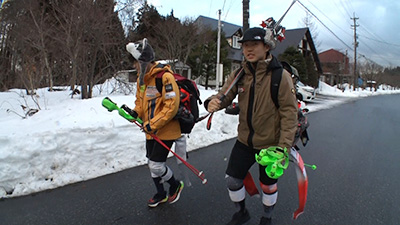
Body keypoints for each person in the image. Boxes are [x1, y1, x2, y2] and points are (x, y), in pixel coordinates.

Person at [204, 26, 298, 225]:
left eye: (254, 44)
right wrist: (213, 102)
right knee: (232, 180)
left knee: (268, 185)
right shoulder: (240, 74)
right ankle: (241, 212)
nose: (249, 49)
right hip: (245, 140)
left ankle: (267, 217)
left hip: (271, 144)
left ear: (266, 47)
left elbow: (290, 115)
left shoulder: (280, 77)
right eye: (245, 45)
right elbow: (225, 94)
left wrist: (283, 148)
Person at [126, 38, 184, 208]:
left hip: (166, 129)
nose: (134, 66)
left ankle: (175, 185)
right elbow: (140, 101)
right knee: (152, 164)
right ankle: (161, 194)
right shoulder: (142, 79)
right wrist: (136, 112)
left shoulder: (165, 77)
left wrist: (154, 124)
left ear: (144, 60)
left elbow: (171, 105)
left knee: (156, 165)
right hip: (150, 130)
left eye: (136, 62)